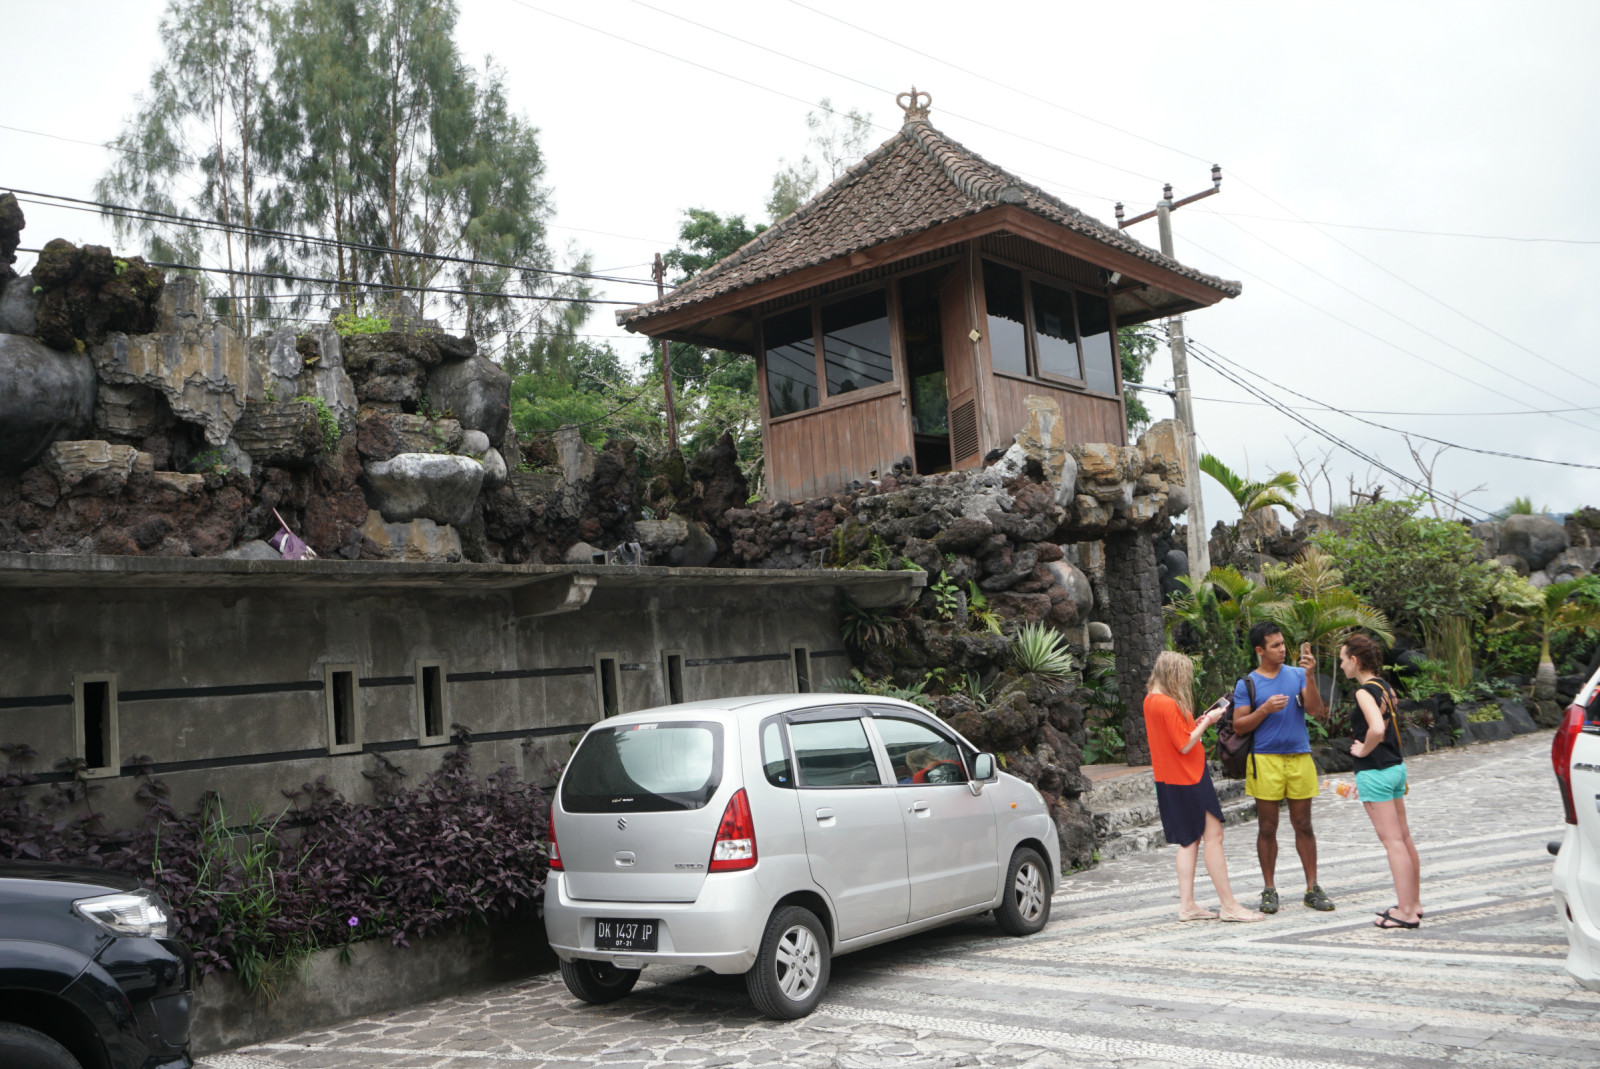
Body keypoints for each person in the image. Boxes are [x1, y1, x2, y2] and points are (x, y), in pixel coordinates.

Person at [1145, 651, 1265, 923]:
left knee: (1189, 840)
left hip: (1170, 778)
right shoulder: (1166, 703)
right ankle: (1229, 905)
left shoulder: (1150, 700)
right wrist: (1210, 721)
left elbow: (1177, 735)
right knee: (1214, 836)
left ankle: (1187, 905)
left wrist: (1196, 723)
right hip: (1188, 776)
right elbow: (1185, 744)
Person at [1232, 622, 1334, 914]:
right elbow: (1239, 727)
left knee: (1304, 824)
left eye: (1282, 644)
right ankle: (1269, 889)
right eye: (1275, 645)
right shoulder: (1248, 684)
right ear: (1259, 650)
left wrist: (1311, 676)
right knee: (1267, 826)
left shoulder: (1298, 675)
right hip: (1265, 760)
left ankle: (1312, 887)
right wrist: (1264, 710)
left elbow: (1315, 710)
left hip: (1299, 757)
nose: (1282, 649)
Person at [1338, 633, 1423, 930]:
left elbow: (1376, 728)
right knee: (1404, 837)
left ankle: (1406, 912)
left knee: (1392, 842)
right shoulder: (1386, 688)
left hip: (1375, 771)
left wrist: (1363, 748)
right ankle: (1413, 903)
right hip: (1395, 768)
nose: (1341, 666)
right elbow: (1386, 724)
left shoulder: (1364, 692)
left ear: (1354, 660)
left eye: (1342, 659)